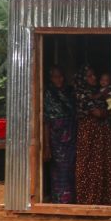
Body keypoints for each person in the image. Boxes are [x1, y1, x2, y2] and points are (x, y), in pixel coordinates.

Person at [74, 65, 111, 206]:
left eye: (94, 75)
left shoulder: (97, 92)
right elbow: (97, 113)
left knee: (103, 164)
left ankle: (104, 200)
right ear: (83, 79)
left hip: (102, 134)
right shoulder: (82, 93)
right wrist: (107, 113)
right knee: (88, 165)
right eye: (90, 76)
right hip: (89, 134)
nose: (94, 78)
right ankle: (88, 201)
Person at [43, 66, 77, 204]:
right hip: (56, 137)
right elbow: (46, 121)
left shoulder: (70, 91)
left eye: (61, 76)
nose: (59, 79)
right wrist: (46, 146)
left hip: (72, 132)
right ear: (51, 78)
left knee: (72, 166)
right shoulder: (48, 94)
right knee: (59, 168)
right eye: (56, 76)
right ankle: (60, 200)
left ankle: (72, 199)